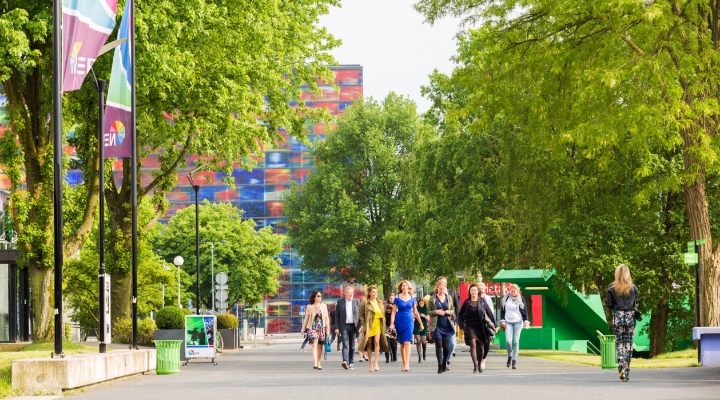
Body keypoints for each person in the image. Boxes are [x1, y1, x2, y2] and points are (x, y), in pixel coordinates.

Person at [607, 264, 640, 382]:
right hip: (630, 317)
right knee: (628, 344)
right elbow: (637, 303)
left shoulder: (611, 287)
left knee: (619, 342)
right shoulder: (633, 287)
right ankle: (626, 371)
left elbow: (609, 305)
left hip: (618, 317)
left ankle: (621, 363)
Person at [390, 280, 424, 372]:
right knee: (401, 343)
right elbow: (393, 312)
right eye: (403, 286)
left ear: (408, 287)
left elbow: (416, 312)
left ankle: (407, 363)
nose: (404, 287)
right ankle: (403, 363)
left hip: (409, 321)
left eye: (406, 286)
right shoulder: (397, 298)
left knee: (407, 342)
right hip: (399, 321)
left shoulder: (412, 298)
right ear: (401, 287)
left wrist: (420, 323)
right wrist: (391, 324)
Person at [458, 284, 489, 373]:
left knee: (480, 347)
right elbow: (460, 314)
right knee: (473, 344)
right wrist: (461, 324)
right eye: (471, 290)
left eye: (475, 290)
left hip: (480, 326)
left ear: (477, 291)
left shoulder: (482, 301)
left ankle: (479, 365)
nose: (473, 292)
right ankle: (475, 365)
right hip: (470, 326)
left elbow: (489, 313)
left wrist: (495, 325)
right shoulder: (467, 302)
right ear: (469, 292)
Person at [359, 286, 389, 372]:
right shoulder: (365, 303)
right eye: (373, 292)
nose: (375, 294)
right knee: (369, 344)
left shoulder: (380, 303)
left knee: (376, 342)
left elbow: (383, 314)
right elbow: (361, 314)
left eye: (376, 292)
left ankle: (376, 363)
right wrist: (364, 324)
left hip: (378, 325)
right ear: (369, 293)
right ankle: (370, 363)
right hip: (369, 326)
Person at [428, 279, 455, 373]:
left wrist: (449, 312)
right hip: (437, 325)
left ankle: (444, 362)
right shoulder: (432, 299)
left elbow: (452, 309)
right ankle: (439, 364)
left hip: (446, 325)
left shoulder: (449, 298)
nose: (442, 290)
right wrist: (436, 311)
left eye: (443, 289)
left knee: (446, 347)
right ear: (437, 288)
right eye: (440, 289)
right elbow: (428, 311)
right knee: (438, 345)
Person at [500, 284, 530, 369]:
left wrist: (526, 321)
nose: (513, 293)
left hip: (518, 321)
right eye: (511, 291)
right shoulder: (505, 298)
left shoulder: (521, 299)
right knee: (508, 341)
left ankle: (514, 360)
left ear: (517, 291)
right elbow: (502, 310)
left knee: (516, 341)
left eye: (514, 291)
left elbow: (524, 311)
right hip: (508, 321)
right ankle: (509, 355)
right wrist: (503, 321)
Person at [300, 290, 330, 370]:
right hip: (312, 329)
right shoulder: (310, 307)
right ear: (314, 297)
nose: (320, 297)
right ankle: (315, 362)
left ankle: (319, 363)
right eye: (318, 296)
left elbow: (326, 318)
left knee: (320, 346)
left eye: (320, 296)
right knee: (314, 345)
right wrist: (303, 329)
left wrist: (328, 328)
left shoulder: (324, 306)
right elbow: (306, 318)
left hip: (322, 329)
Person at [335, 285, 361, 370]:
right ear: (345, 293)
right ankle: (345, 361)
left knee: (352, 346)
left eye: (352, 293)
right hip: (344, 326)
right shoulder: (340, 302)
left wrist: (360, 326)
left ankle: (351, 362)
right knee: (345, 344)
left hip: (353, 326)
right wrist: (337, 327)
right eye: (349, 293)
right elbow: (337, 316)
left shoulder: (357, 302)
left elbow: (360, 315)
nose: (351, 295)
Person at [436, 276, 459, 365]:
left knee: (452, 343)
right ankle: (443, 361)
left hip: (450, 321)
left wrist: (455, 317)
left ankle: (447, 358)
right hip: (439, 322)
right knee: (441, 344)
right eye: (440, 283)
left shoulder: (452, 293)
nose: (442, 284)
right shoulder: (434, 295)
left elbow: (456, 307)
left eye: (444, 283)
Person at [478, 282, 497, 370]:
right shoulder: (474, 297)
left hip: (486, 322)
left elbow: (491, 311)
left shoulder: (488, 298)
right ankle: (478, 360)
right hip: (477, 323)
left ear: (485, 289)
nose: (480, 289)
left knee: (486, 342)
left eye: (482, 287)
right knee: (478, 343)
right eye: (479, 287)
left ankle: (484, 358)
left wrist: (494, 324)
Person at [413, 298, 429, 363]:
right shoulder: (416, 308)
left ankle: (424, 352)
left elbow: (428, 318)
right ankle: (419, 356)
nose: (421, 304)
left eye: (422, 303)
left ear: (424, 303)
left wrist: (424, 316)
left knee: (423, 341)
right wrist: (417, 316)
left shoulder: (426, 309)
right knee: (418, 341)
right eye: (420, 303)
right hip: (416, 325)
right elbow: (413, 315)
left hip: (424, 326)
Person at [356, 296, 369, 363]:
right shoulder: (357, 309)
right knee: (360, 343)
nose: (363, 302)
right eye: (361, 300)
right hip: (359, 328)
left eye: (364, 300)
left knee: (366, 342)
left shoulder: (368, 309)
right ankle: (361, 357)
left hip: (366, 327)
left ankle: (365, 355)